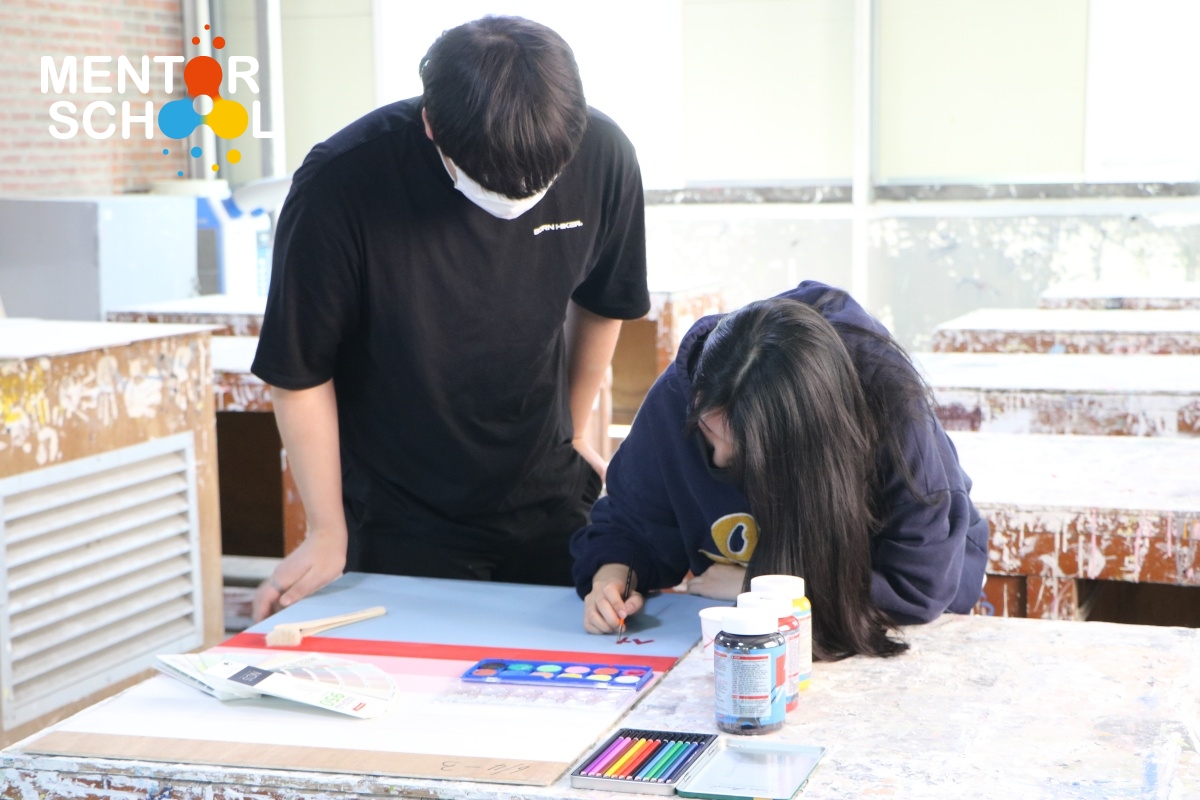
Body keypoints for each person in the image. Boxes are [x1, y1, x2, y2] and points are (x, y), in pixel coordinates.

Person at [250, 16, 649, 621]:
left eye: (538, 187)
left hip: (545, 493)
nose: (515, 201)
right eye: (493, 186)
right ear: (432, 127)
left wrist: (571, 430)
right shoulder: (341, 183)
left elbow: (604, 301)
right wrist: (327, 530)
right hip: (400, 509)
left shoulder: (605, 154)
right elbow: (299, 370)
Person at [571, 281, 989, 660]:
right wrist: (613, 575)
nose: (718, 461)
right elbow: (629, 523)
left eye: (742, 451)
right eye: (707, 435)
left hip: (896, 637)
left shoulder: (894, 416)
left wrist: (754, 588)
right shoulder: (681, 393)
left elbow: (918, 587)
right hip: (744, 636)